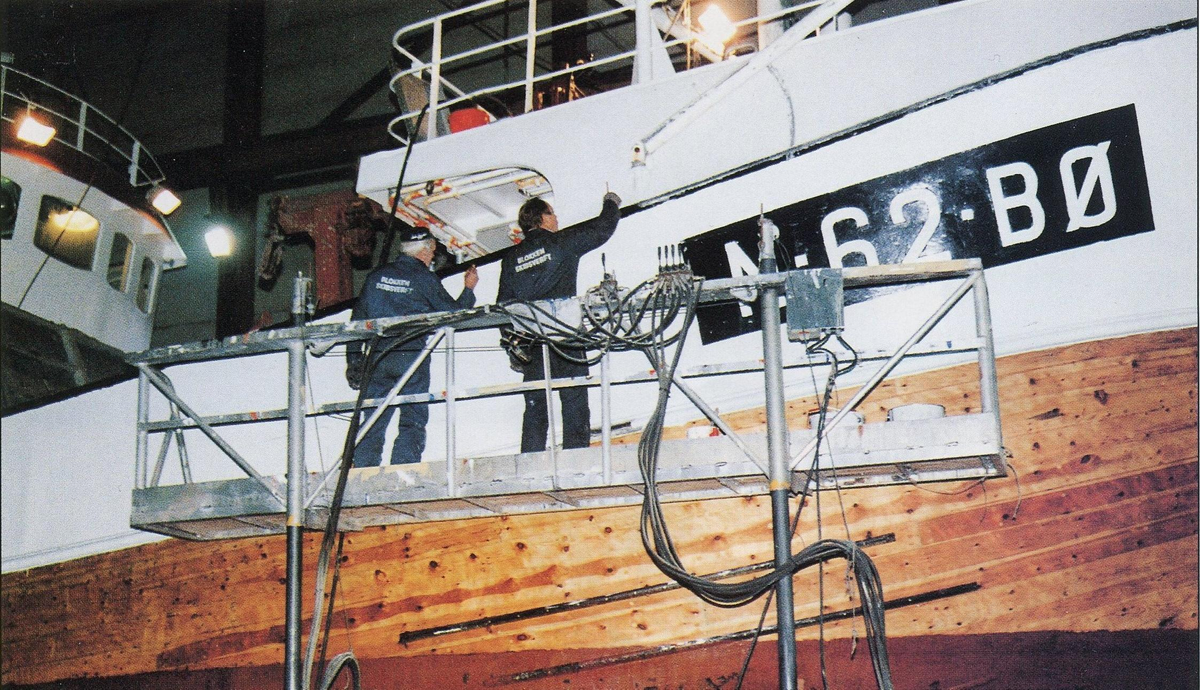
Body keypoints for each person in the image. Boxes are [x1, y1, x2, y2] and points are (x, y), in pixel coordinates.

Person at [497, 191, 621, 453]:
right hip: (566, 337)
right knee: (574, 400)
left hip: (531, 341)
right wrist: (611, 202)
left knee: (535, 405)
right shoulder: (561, 242)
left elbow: (503, 306)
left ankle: (530, 461)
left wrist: (512, 345)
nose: (556, 218)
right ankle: (575, 459)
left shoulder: (510, 258)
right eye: (552, 213)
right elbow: (602, 229)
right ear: (542, 218)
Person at [347, 227, 479, 467]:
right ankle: (404, 468)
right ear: (425, 251)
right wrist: (468, 289)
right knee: (413, 417)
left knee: (373, 417)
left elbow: (356, 324)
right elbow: (455, 315)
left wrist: (354, 360)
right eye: (433, 251)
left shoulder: (376, 276)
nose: (433, 256)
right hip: (411, 356)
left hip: (377, 356)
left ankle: (364, 470)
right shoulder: (423, 278)